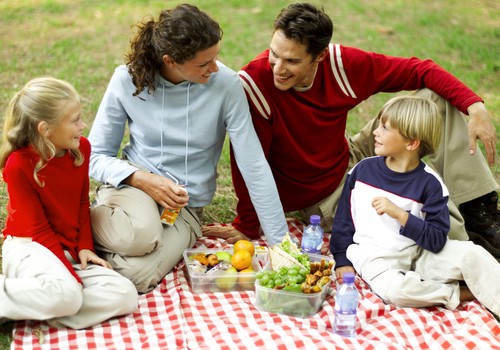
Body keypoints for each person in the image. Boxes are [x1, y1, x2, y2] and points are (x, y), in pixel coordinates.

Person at [222, 2, 499, 257]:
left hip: (350, 154)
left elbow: (420, 70)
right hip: (326, 197)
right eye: (274, 54)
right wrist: (247, 224)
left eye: (292, 61)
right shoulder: (255, 84)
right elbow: (249, 164)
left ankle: (479, 210)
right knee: (412, 208)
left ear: (320, 56)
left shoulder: (341, 66)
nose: (278, 68)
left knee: (436, 99)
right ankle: (462, 250)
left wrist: (474, 106)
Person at [88, 4, 288, 293]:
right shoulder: (127, 80)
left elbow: (254, 164)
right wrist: (140, 178)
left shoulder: (227, 86)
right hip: (134, 187)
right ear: (170, 60)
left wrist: (281, 245)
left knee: (138, 276)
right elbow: (95, 156)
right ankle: (79, 227)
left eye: (216, 57)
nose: (215, 68)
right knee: (141, 235)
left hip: (184, 208)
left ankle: (94, 250)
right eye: (204, 63)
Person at [330, 95, 499, 317]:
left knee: (472, 254)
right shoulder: (362, 172)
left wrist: (402, 216)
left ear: (411, 143)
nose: (375, 132)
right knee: (396, 291)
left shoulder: (430, 184)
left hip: (421, 253)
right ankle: (457, 293)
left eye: (385, 127)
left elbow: (437, 239)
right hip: (374, 258)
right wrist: (341, 259)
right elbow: (343, 221)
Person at [0, 77, 137, 329]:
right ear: (45, 129)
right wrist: (71, 277)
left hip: (67, 250)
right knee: (68, 292)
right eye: (74, 121)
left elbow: (81, 204)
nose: (83, 126)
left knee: (125, 294)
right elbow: (38, 229)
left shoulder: (80, 149)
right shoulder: (19, 165)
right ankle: (26, 297)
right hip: (30, 247)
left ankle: (38, 305)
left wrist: (84, 247)